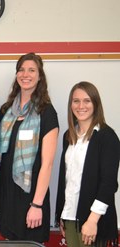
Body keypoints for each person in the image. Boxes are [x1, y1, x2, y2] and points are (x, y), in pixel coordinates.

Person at [0, 52, 59, 243]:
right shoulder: (6, 111)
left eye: (31, 70)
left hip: (31, 194)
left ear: (40, 76)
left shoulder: (46, 111)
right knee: (10, 242)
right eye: (21, 70)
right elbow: (0, 156)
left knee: (31, 242)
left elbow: (48, 163)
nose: (25, 74)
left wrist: (37, 205)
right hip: (6, 191)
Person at [56, 81, 119, 247]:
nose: (80, 106)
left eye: (87, 100)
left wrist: (92, 220)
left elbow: (109, 183)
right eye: (76, 101)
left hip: (93, 222)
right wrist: (62, 214)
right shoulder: (68, 137)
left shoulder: (107, 137)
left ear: (95, 104)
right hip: (70, 219)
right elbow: (67, 180)